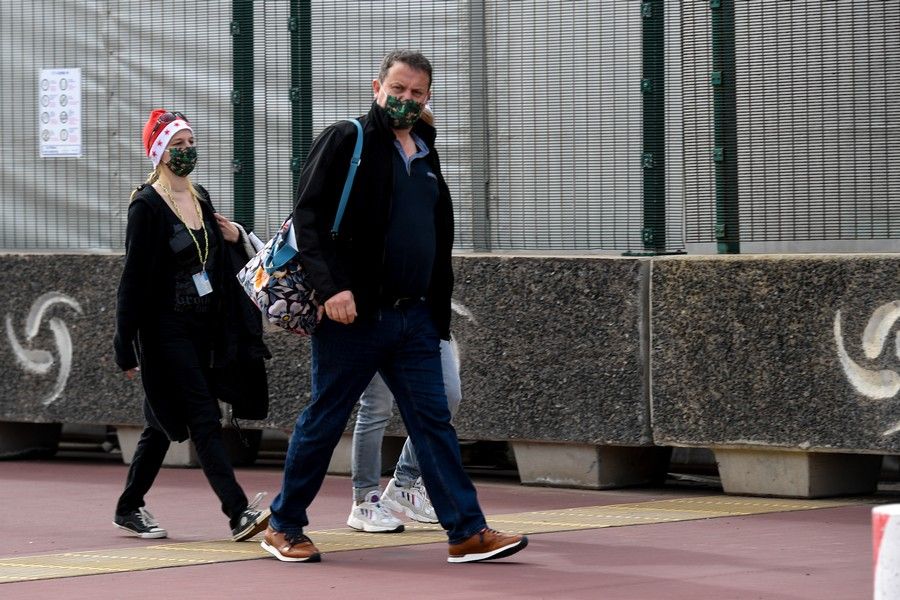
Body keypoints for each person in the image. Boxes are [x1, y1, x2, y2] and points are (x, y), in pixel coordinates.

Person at [262, 50, 528, 564]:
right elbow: (308, 219)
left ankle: (466, 532)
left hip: (414, 318)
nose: (406, 101)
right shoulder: (348, 140)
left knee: (432, 423)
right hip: (352, 316)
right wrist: (332, 288)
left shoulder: (425, 151)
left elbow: (436, 233)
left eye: (417, 94)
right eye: (398, 90)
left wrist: (437, 314)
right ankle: (284, 525)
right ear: (376, 87)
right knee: (325, 418)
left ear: (428, 98)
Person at [113, 109, 271, 542]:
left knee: (159, 422)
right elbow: (133, 279)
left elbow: (217, 259)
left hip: (204, 327)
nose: (186, 151)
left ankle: (128, 507)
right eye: (177, 144)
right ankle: (238, 512)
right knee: (203, 416)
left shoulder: (200, 197)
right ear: (159, 151)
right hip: (166, 329)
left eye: (190, 143)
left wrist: (235, 237)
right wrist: (123, 342)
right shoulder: (145, 206)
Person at [347, 338, 460, 532]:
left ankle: (405, 482)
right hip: (376, 319)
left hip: (424, 321)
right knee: (377, 406)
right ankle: (365, 500)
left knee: (447, 397)